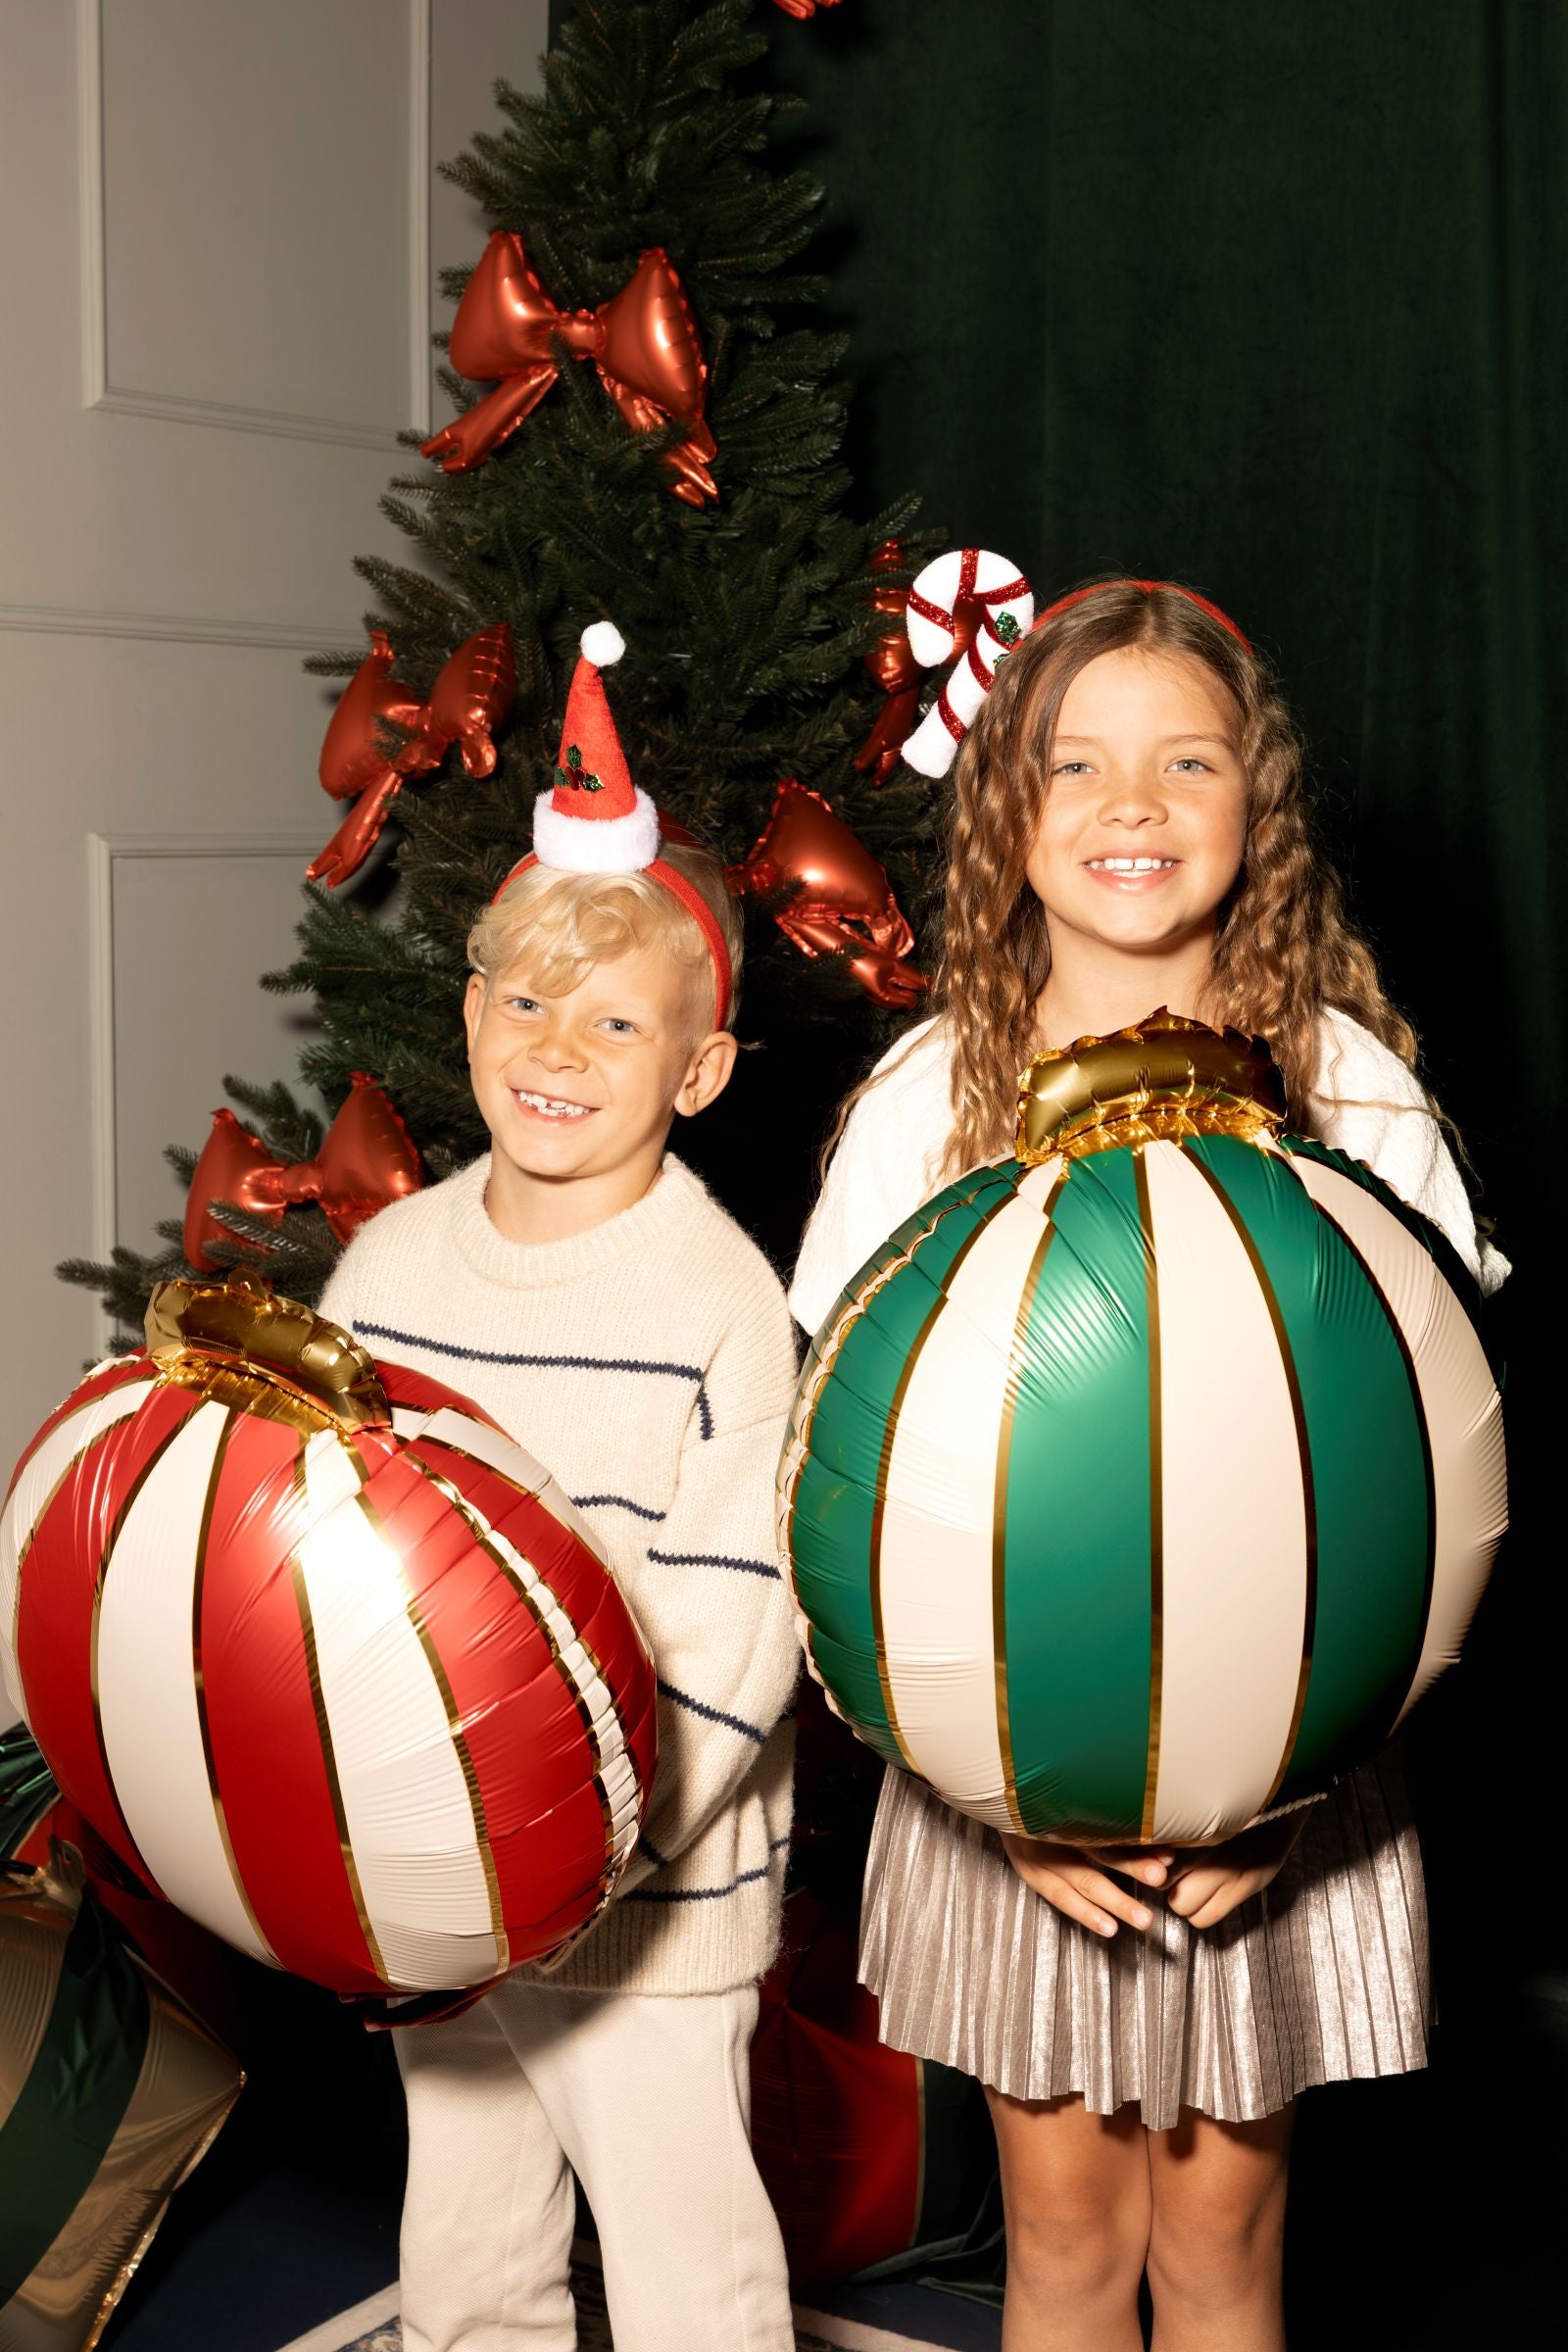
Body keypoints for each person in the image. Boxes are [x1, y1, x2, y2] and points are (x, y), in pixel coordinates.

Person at [789, 575, 1507, 2352]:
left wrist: (1296, 1791)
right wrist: (991, 1793)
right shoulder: (925, 1100)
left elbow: (1437, 1479)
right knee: (1060, 2244)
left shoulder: (1353, 1095)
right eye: (1076, 765)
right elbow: (838, 1491)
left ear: (1256, 806)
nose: (1132, 807)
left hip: (1296, 1800)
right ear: (1004, 819)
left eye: (1188, 760)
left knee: (1223, 2248)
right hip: (999, 1789)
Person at [321, 624, 799, 2352]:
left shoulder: (726, 1312)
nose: (556, 1046)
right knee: (463, 2244)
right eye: (523, 1000)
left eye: (615, 1020)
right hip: (437, 1871)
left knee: (689, 2265)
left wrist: (586, 1831)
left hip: (646, 1899)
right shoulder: (383, 1272)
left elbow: (734, 1638)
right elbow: (334, 1550)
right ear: (468, 1011)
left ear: (699, 1071)